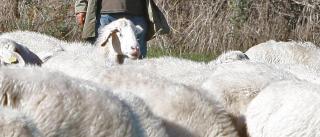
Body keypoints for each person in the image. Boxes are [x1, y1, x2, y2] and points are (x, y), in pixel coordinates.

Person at [75, 0, 170, 59]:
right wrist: (81, 7)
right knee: (102, 61)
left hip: (137, 17)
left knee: (137, 64)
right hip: (105, 16)